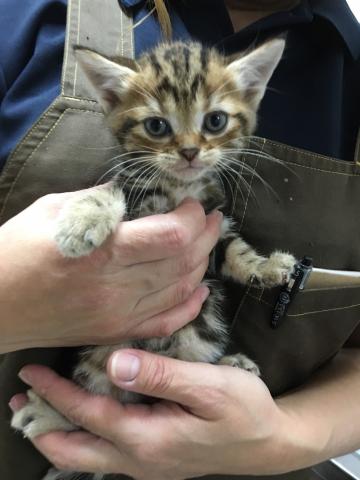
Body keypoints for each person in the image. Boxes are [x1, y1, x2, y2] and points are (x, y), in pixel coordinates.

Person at [1, 0, 360, 479]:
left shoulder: (350, 61)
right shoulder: (27, 14)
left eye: (214, 124)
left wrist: (282, 439)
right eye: (157, 126)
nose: (190, 149)